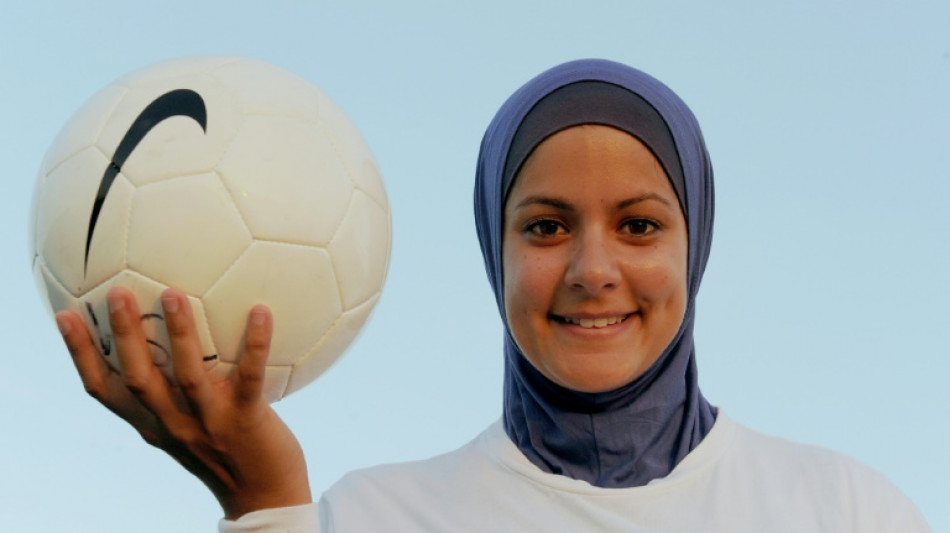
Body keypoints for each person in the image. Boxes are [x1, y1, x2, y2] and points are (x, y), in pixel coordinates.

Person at [56, 59, 931, 532]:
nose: (593, 268)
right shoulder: (368, 518)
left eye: (639, 225)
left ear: (694, 245)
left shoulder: (846, 511)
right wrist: (262, 506)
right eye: (547, 227)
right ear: (493, 248)